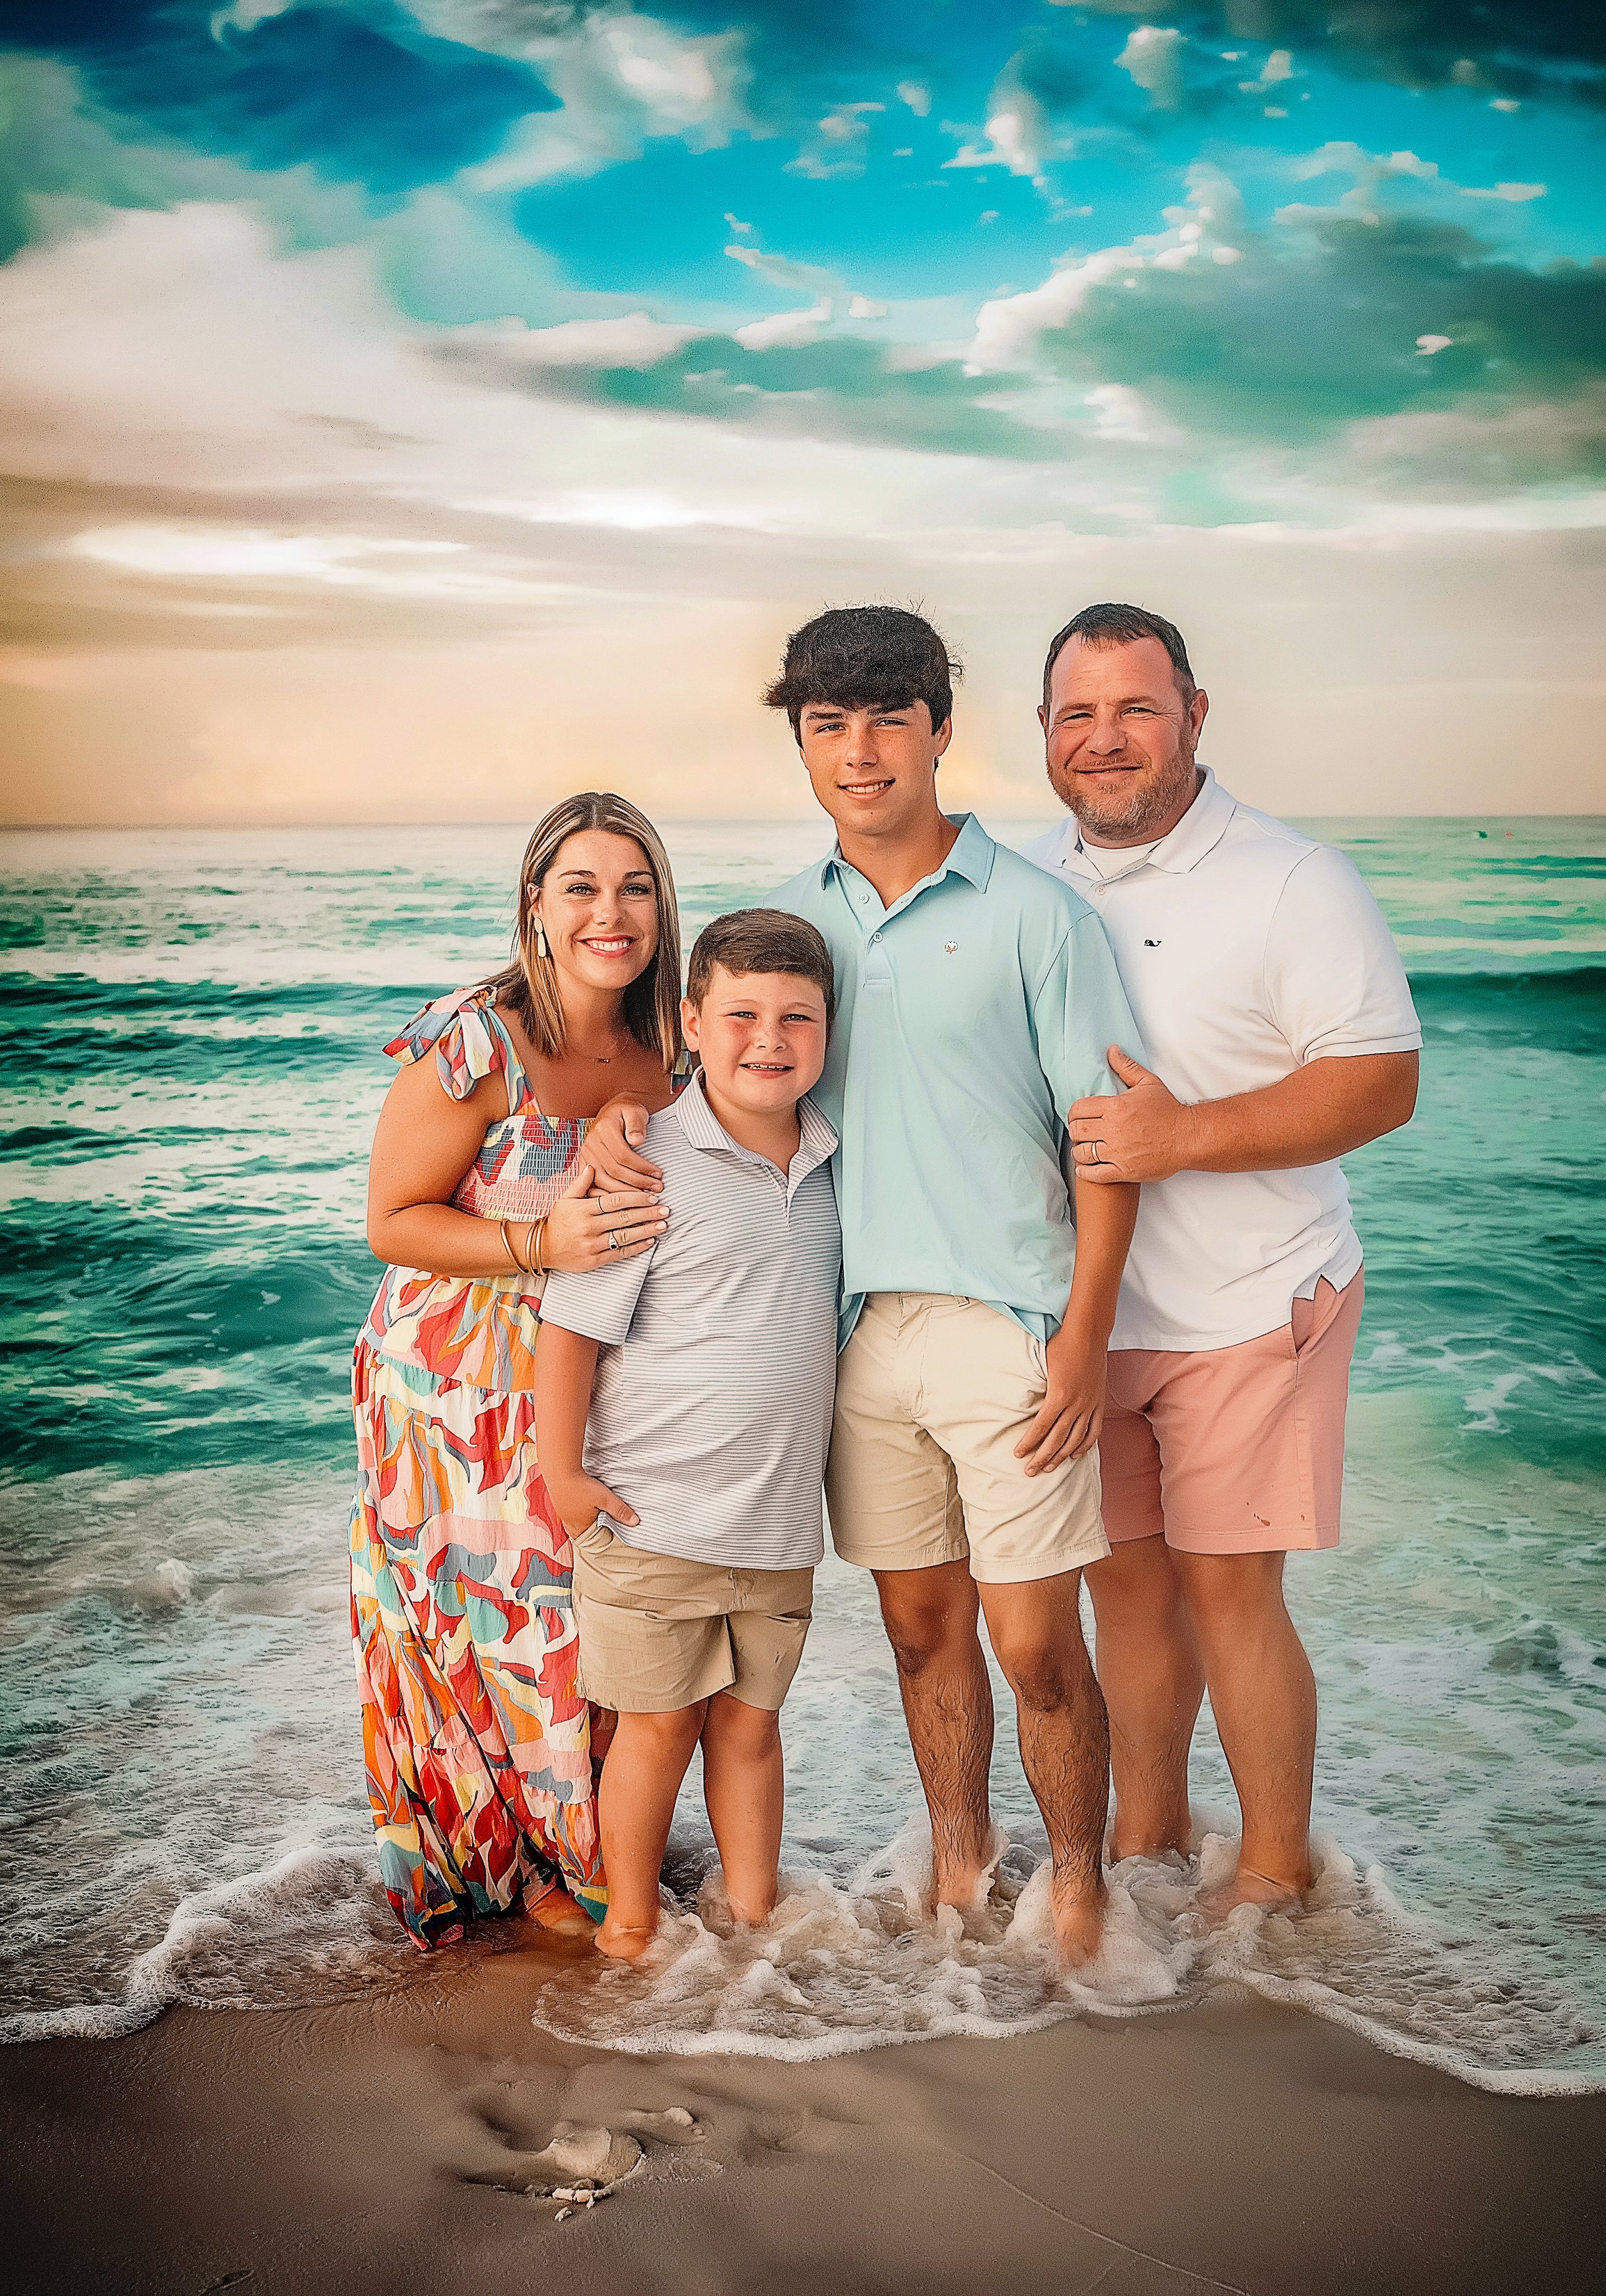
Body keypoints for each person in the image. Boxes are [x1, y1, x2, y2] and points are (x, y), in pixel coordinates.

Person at [588, 608, 1142, 1966]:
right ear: (800, 741)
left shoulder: (1037, 915)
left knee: (1032, 1642)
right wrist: (620, 1116)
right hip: (854, 1336)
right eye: (827, 725)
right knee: (914, 1628)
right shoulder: (796, 922)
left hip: (1008, 1328)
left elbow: (1107, 1137)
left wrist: (1082, 1332)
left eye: (887, 718)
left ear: (939, 730)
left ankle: (1078, 1892)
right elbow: (728, 1064)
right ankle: (960, 1864)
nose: (858, 750)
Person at [1022, 603, 1421, 1916]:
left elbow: (1380, 1083)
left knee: (1232, 1592)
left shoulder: (1294, 879)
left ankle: (1272, 1873)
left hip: (1254, 1297)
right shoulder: (1033, 884)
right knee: (1128, 1591)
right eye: (1078, 714)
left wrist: (1182, 1136)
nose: (1107, 739)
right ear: (1043, 736)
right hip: (1093, 1313)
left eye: (1137, 707)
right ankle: (1145, 1844)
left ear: (1196, 714)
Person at [349, 791, 682, 1949]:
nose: (611, 911)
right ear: (535, 905)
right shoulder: (478, 1039)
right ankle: (515, 1864)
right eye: (581, 887)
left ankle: (586, 1845)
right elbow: (393, 1218)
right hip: (448, 1389)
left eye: (634, 887)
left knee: (589, 1621)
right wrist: (543, 1244)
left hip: (598, 1378)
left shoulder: (679, 1045)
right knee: (486, 1627)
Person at [535, 909, 841, 1963]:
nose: (770, 1039)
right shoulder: (646, 1161)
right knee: (657, 1729)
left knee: (751, 1728)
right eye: (743, 1015)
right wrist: (562, 1471)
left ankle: (753, 1920)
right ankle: (629, 1924)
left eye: (798, 1017)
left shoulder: (840, 1162)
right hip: (652, 1512)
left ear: (829, 1032)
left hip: (775, 1525)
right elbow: (572, 1326)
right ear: (690, 1024)